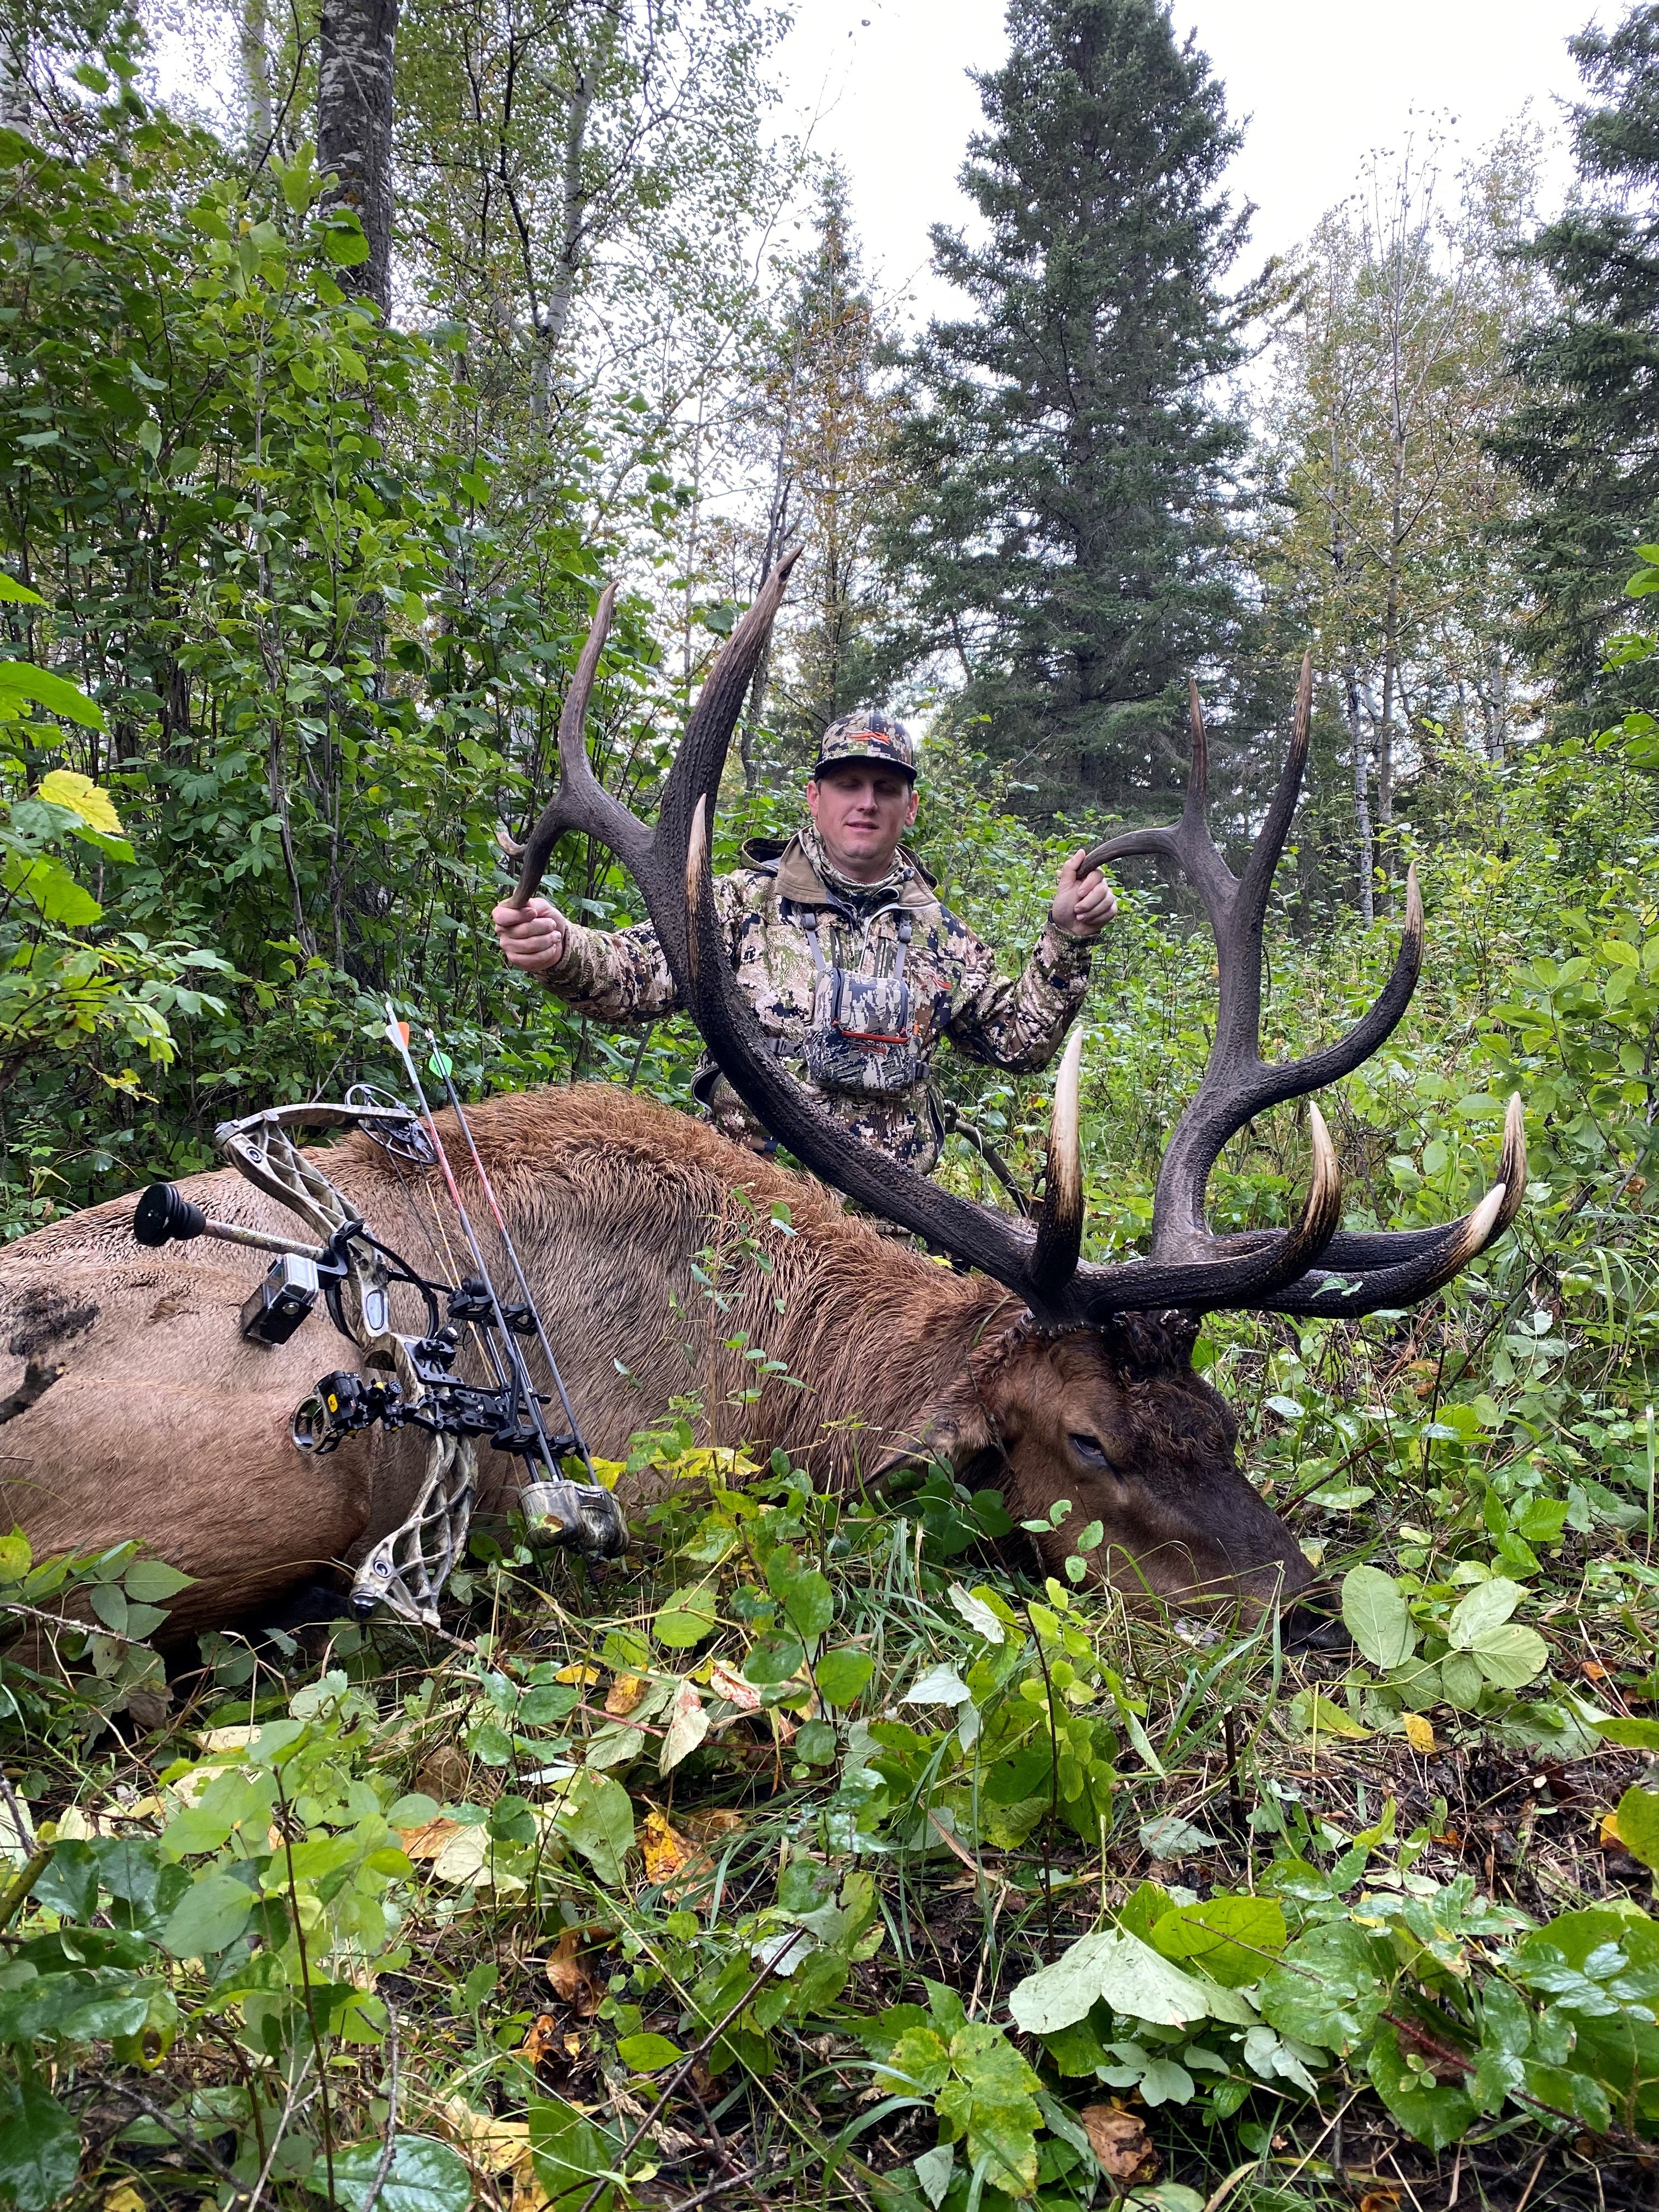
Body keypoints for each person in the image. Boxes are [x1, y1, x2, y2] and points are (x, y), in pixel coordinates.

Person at [492, 709, 1117, 1175]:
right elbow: (630, 977)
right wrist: (560, 947)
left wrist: (1068, 937)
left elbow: (1018, 1042)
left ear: (911, 806)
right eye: (848, 784)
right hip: (753, 1227)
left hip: (890, 1249)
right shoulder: (740, 904)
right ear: (816, 797)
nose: (866, 803)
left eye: (886, 789)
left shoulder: (943, 939)